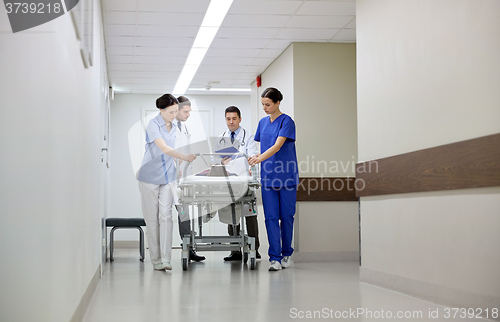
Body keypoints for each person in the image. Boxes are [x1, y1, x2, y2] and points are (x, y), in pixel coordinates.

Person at [137, 94, 196, 271]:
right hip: (149, 177)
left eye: (175, 111)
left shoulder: (176, 126)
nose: (174, 115)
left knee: (166, 217)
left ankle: (166, 259)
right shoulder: (153, 125)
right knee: (152, 219)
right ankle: (155, 260)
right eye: (171, 112)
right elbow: (163, 148)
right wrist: (184, 157)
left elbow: (180, 145)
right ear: (161, 110)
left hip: (168, 176)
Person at [248, 88, 298, 271]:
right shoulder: (262, 123)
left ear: (278, 103)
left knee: (286, 217)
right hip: (268, 177)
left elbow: (277, 146)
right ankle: (274, 258)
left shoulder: (287, 121)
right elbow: (263, 147)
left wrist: (259, 158)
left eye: (267, 104)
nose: (264, 108)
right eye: (262, 104)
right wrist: (254, 159)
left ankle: (286, 254)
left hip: (287, 177)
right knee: (270, 217)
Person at [217, 106, 261, 261]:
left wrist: (248, 166)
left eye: (234, 118)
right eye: (228, 119)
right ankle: (235, 250)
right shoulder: (222, 137)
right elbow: (216, 160)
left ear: (240, 119)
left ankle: (254, 248)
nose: (231, 122)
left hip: (244, 181)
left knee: (249, 214)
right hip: (228, 182)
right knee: (231, 215)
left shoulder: (247, 137)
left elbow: (252, 157)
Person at [173, 96, 205, 262]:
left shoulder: (183, 128)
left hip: (184, 180)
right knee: (166, 217)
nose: (188, 114)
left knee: (185, 215)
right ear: (176, 110)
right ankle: (165, 253)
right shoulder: (168, 128)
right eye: (186, 111)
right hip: (170, 180)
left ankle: (188, 249)